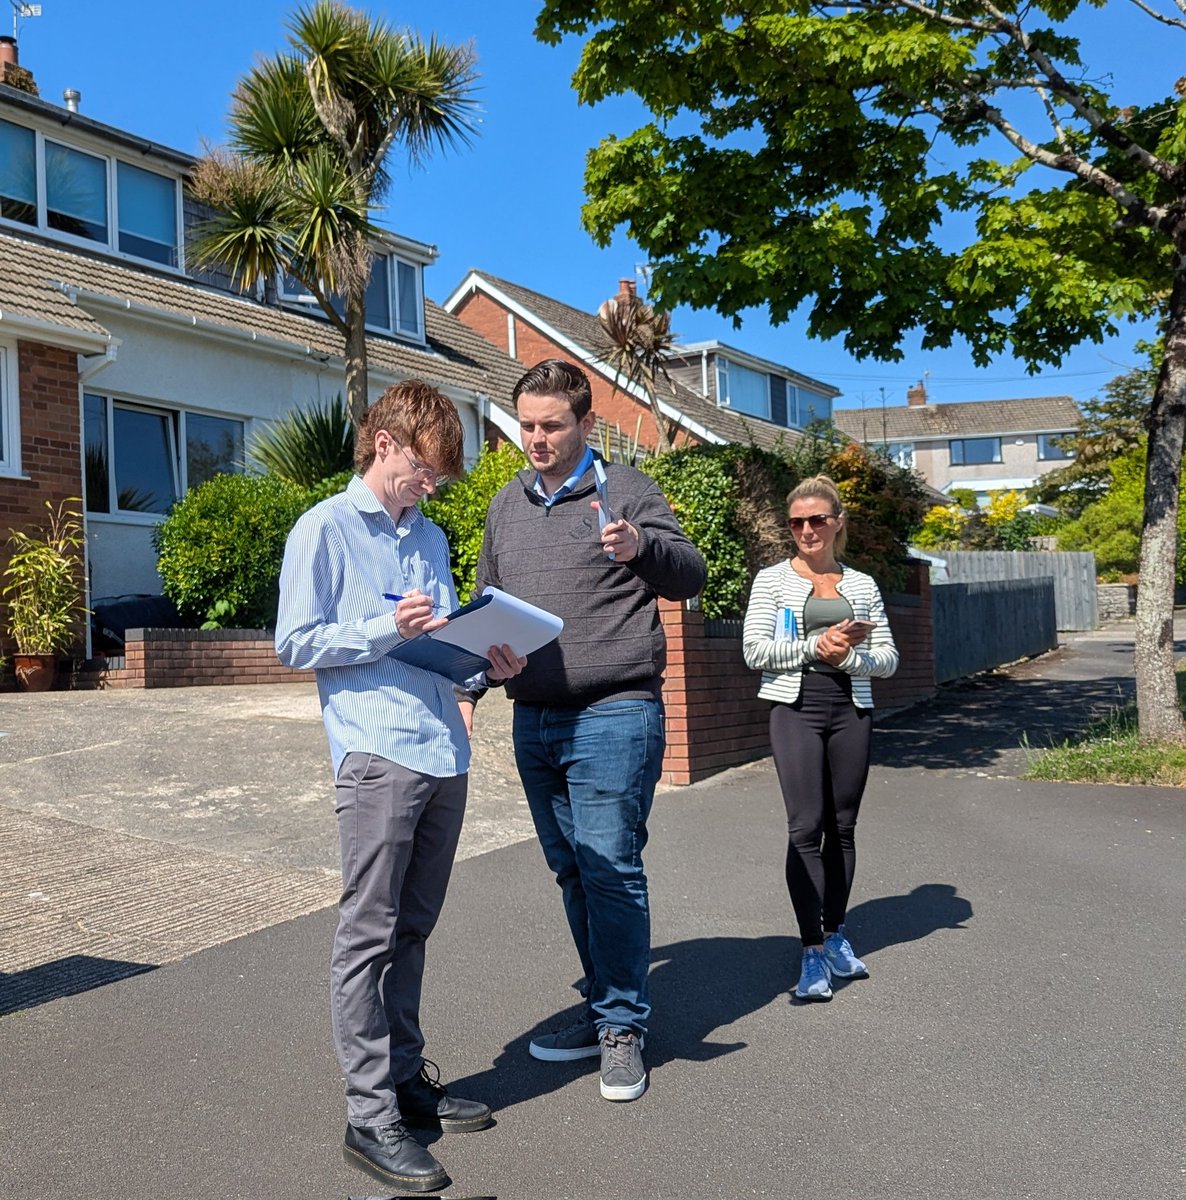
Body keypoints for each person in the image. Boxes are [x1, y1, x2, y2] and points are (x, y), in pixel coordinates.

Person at [275, 380, 525, 1193]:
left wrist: (485, 662)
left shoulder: (430, 536)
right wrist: (386, 627)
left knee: (412, 930)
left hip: (443, 750)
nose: (431, 487)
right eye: (424, 471)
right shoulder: (324, 529)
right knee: (368, 936)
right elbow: (294, 642)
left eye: (439, 478)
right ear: (384, 444)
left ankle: (406, 1081)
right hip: (376, 754)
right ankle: (368, 1115)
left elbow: (442, 641)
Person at [473, 358, 706, 1102]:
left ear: (586, 422)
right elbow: (486, 601)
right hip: (534, 716)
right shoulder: (506, 504)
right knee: (572, 868)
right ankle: (607, 1004)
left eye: (552, 425)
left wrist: (641, 547)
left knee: (609, 866)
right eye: (527, 426)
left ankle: (623, 1027)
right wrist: (480, 673)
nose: (536, 439)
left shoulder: (627, 491)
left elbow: (690, 572)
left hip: (615, 711)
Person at [742, 475, 899, 1002]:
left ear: (837, 523)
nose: (807, 530)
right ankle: (811, 948)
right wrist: (815, 646)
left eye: (817, 520)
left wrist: (848, 656)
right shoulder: (771, 581)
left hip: (850, 708)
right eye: (796, 523)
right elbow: (754, 651)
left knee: (843, 827)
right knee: (805, 827)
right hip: (796, 708)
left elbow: (888, 659)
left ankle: (835, 936)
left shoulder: (863, 585)